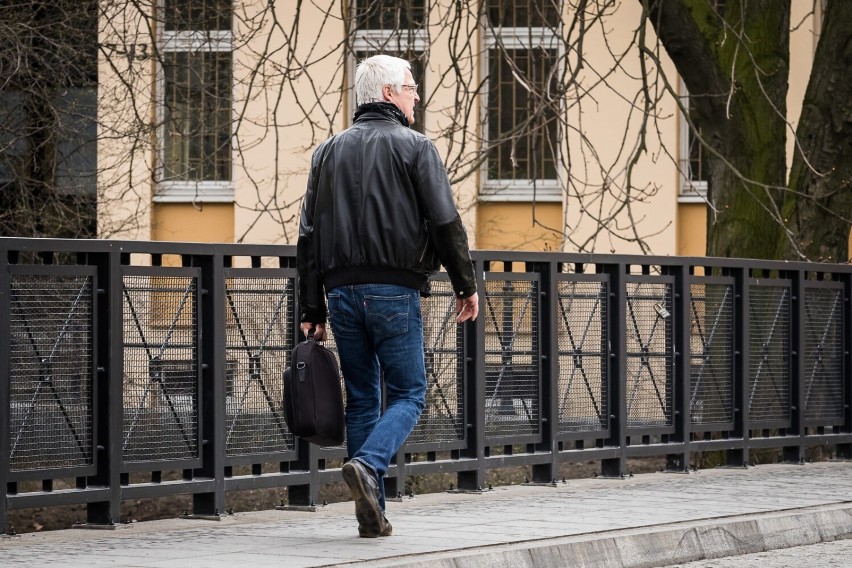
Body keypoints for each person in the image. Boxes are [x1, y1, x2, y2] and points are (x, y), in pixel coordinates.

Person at [296, 54, 479, 538]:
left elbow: (308, 236)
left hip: (339, 293)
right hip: (394, 290)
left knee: (361, 398)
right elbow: (444, 222)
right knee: (410, 392)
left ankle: (369, 513)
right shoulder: (416, 147)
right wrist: (466, 284)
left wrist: (311, 308)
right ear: (388, 94)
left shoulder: (326, 153)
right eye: (411, 87)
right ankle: (369, 465)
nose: (417, 95)